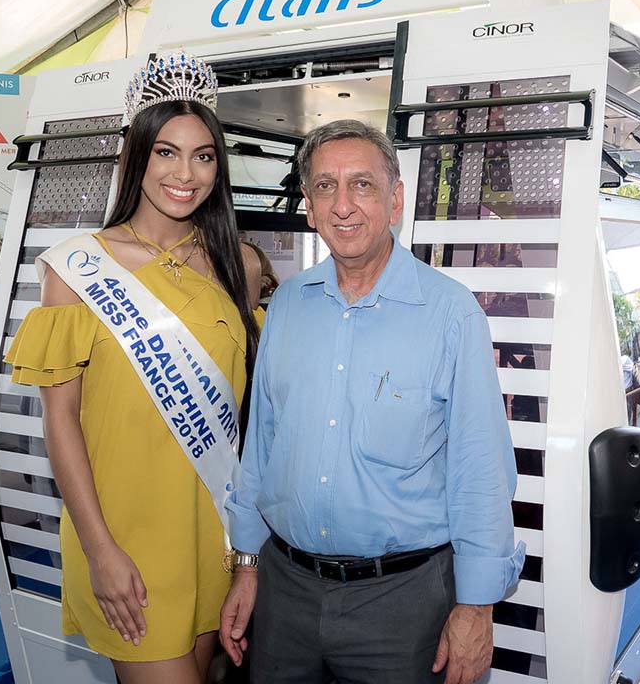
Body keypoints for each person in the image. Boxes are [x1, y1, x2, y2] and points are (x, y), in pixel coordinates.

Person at [220, 120, 523, 684]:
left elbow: (480, 473)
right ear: (307, 206)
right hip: (285, 596)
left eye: (361, 184)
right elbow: (259, 447)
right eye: (325, 187)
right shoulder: (286, 305)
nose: (343, 206)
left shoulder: (452, 316)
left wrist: (476, 607)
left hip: (404, 608)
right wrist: (247, 564)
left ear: (395, 199)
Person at [4, 51, 261, 684]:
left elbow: (249, 417)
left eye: (203, 155)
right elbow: (60, 422)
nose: (186, 173)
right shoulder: (75, 267)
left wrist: (248, 557)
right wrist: (99, 550)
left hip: (215, 538)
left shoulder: (241, 265)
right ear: (135, 156)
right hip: (127, 540)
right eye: (166, 152)